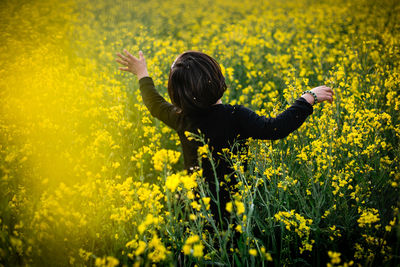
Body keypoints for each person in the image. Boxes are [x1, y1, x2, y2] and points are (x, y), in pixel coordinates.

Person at [116, 49, 334, 228]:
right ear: (218, 81)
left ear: (176, 93)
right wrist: (308, 98)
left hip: (194, 206)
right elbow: (274, 128)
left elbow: (154, 104)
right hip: (232, 209)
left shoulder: (182, 118)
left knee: (195, 251)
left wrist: (141, 73)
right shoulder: (235, 116)